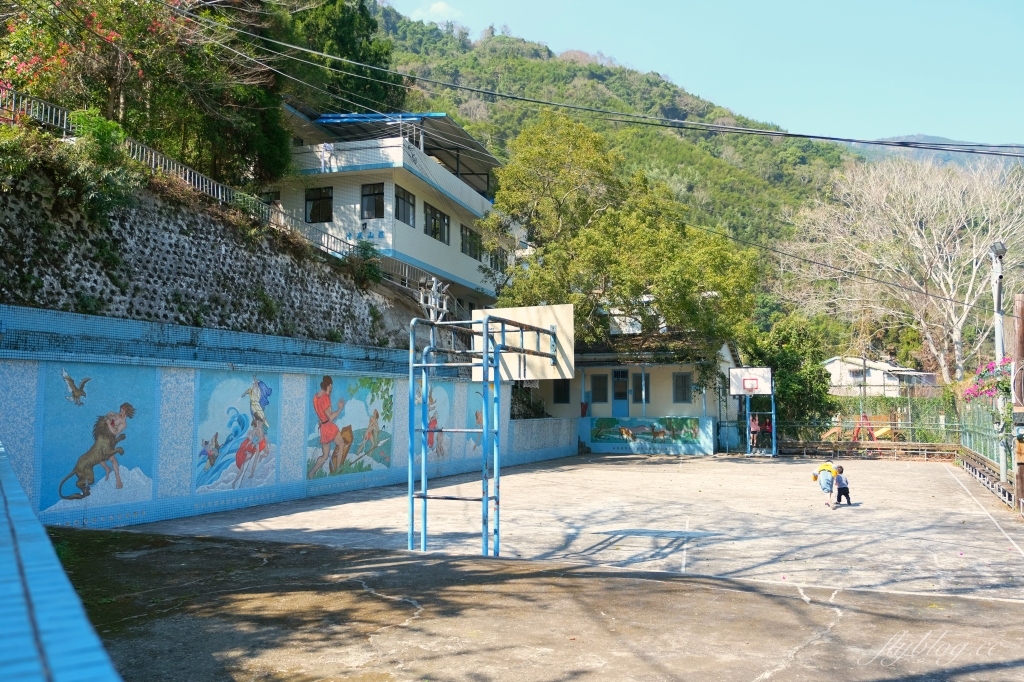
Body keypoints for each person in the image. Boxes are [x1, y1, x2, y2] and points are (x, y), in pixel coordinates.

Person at [309, 376, 347, 478]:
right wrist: (340, 408)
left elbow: (320, 413)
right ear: (329, 385)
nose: (331, 389)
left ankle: (311, 473)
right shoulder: (325, 398)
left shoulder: (316, 397)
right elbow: (330, 417)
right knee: (342, 444)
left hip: (323, 427)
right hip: (329, 426)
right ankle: (338, 470)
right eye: (331, 387)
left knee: (325, 456)